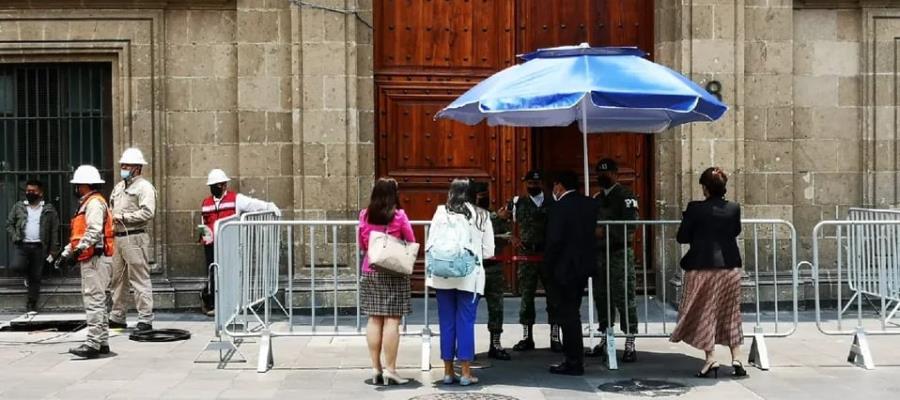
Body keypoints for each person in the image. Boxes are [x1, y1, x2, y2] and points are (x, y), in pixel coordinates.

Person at [670, 167, 747, 378]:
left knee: (705, 313)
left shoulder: (695, 209)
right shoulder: (734, 208)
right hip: (730, 268)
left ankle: (711, 359)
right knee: (731, 313)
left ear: (704, 188)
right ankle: (737, 357)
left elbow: (682, 237)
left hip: (702, 267)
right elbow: (735, 231)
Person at [426, 179, 494, 386]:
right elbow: (489, 251)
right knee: (465, 322)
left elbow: (432, 242)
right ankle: (465, 372)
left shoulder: (440, 212)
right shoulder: (481, 215)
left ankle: (447, 371)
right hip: (469, 276)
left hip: (442, 275)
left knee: (446, 322)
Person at [357, 177, 415, 386]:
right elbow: (411, 239)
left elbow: (362, 243)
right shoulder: (399, 216)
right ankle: (391, 369)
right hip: (394, 272)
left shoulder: (364, 215)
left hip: (370, 269)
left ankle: (375, 368)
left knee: (374, 318)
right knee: (392, 319)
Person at [199, 168, 280, 316]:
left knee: (231, 274)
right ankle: (213, 303)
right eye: (212, 185)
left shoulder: (236, 199)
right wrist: (205, 238)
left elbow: (253, 204)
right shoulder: (206, 203)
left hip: (230, 244)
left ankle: (231, 304)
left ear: (224, 185)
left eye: (217, 185)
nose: (214, 188)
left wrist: (269, 206)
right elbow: (203, 222)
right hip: (212, 245)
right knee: (213, 273)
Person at [496, 170, 561, 353]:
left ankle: (555, 336)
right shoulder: (518, 203)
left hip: (547, 255)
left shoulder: (552, 202)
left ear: (541, 184)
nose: (533, 186)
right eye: (530, 183)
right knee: (526, 296)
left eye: (536, 183)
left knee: (553, 297)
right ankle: (527, 336)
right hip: (527, 255)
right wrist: (510, 237)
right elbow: (501, 219)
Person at [55, 165, 115, 358]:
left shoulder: (94, 203)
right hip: (92, 257)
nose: (76, 188)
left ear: (85, 185)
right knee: (97, 300)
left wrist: (76, 252)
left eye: (78, 184)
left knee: (94, 300)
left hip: (95, 259)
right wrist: (65, 254)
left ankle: (93, 343)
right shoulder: (88, 203)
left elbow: (93, 231)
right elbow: (79, 235)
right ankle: (102, 341)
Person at [586, 159, 639, 362]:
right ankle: (605, 335)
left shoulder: (626, 196)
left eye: (607, 173)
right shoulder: (597, 198)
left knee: (624, 297)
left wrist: (606, 232)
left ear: (616, 174)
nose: (603, 177)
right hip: (599, 256)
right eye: (599, 173)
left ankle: (630, 338)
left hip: (618, 254)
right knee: (602, 297)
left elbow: (631, 226)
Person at [544, 171, 597, 376]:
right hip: (583, 266)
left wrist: (548, 266)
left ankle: (573, 361)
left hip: (563, 268)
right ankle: (574, 358)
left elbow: (555, 240)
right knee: (573, 311)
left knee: (568, 316)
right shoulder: (589, 204)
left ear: (559, 186)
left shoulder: (558, 208)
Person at [108, 148, 157, 332]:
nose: (124, 168)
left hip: (135, 236)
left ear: (137, 167)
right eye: (122, 165)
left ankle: (145, 318)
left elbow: (148, 212)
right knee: (117, 279)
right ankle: (117, 316)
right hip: (118, 237)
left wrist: (123, 217)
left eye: (127, 165)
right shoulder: (119, 187)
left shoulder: (144, 187)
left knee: (139, 278)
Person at [468, 181, 511, 361]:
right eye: (481, 194)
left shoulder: (496, 215)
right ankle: (466, 345)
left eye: (486, 193)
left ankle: (495, 343)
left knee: (496, 307)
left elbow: (504, 237)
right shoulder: (466, 215)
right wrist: (496, 218)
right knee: (468, 309)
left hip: (493, 268)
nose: (484, 197)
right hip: (473, 268)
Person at [6, 179, 60, 312]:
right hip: (22, 245)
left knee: (36, 276)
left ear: (40, 193)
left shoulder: (48, 209)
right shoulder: (19, 206)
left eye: (33, 191)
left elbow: (54, 230)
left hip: (39, 247)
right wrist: (15, 236)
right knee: (17, 266)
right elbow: (9, 224)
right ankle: (26, 275)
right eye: (28, 191)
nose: (30, 193)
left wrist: (54, 250)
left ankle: (31, 303)